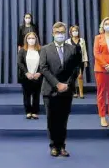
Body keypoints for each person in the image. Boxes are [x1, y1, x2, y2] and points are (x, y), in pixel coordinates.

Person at [39, 22, 81, 157]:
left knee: (63, 120)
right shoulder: (45, 49)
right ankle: (53, 146)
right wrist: (57, 84)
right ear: (53, 34)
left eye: (62, 32)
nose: (60, 35)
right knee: (52, 119)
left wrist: (67, 84)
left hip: (67, 90)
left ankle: (62, 146)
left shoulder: (72, 49)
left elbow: (76, 68)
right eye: (57, 33)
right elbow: (43, 68)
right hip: (50, 90)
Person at [17, 32, 42, 120]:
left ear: (36, 39)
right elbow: (19, 63)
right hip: (26, 76)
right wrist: (26, 73)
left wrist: (39, 73)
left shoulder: (40, 50)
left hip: (37, 76)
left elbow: (44, 63)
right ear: (26, 40)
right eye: (29, 38)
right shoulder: (22, 50)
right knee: (26, 95)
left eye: (33, 38)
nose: (31, 40)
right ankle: (28, 111)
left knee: (36, 95)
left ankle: (35, 112)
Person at [66, 25, 89, 99]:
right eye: (73, 31)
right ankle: (74, 92)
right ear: (70, 32)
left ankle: (81, 93)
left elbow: (84, 51)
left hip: (80, 61)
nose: (75, 32)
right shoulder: (68, 41)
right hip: (71, 61)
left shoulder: (82, 40)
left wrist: (85, 60)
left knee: (80, 76)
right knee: (72, 77)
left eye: (76, 31)